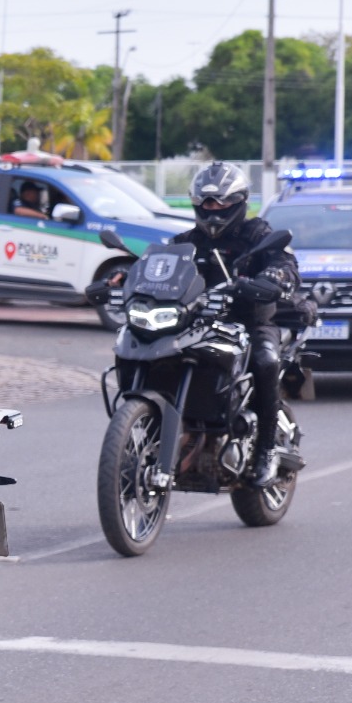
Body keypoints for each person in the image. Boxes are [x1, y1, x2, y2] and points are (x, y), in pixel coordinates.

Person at [89, 162, 299, 487]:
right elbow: (157, 268)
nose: (212, 209)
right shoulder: (186, 240)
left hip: (248, 321)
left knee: (265, 360)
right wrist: (124, 276)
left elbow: (285, 261)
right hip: (194, 321)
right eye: (205, 202)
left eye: (220, 202)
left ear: (239, 202)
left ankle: (266, 449)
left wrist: (275, 277)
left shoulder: (259, 234)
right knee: (141, 343)